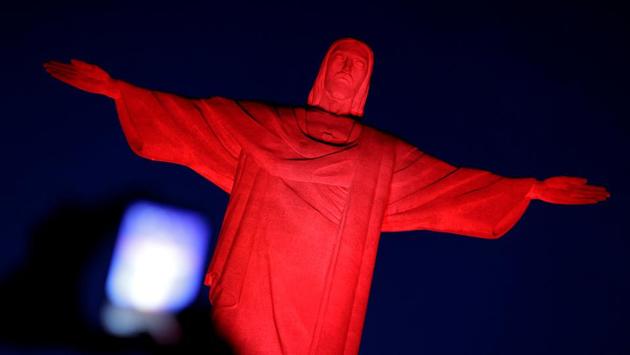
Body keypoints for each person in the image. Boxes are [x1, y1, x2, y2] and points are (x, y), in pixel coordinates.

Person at [45, 38, 609, 355]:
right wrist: (119, 90)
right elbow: (194, 120)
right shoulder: (266, 127)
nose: (345, 70)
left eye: (356, 68)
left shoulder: (380, 158)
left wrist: (526, 190)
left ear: (362, 88)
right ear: (321, 73)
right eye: (339, 61)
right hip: (252, 289)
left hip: (319, 307)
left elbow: (448, 187)